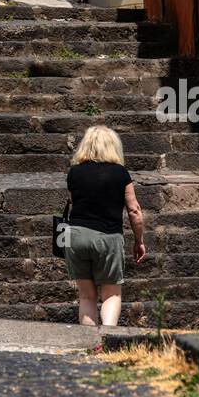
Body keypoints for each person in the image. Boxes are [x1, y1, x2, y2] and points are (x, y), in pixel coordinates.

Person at [63, 125, 145, 327]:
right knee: (111, 295)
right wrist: (139, 240)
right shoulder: (120, 173)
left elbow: (73, 202)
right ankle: (107, 340)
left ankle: (89, 343)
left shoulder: (74, 173)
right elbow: (134, 210)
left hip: (76, 237)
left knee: (86, 297)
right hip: (108, 237)